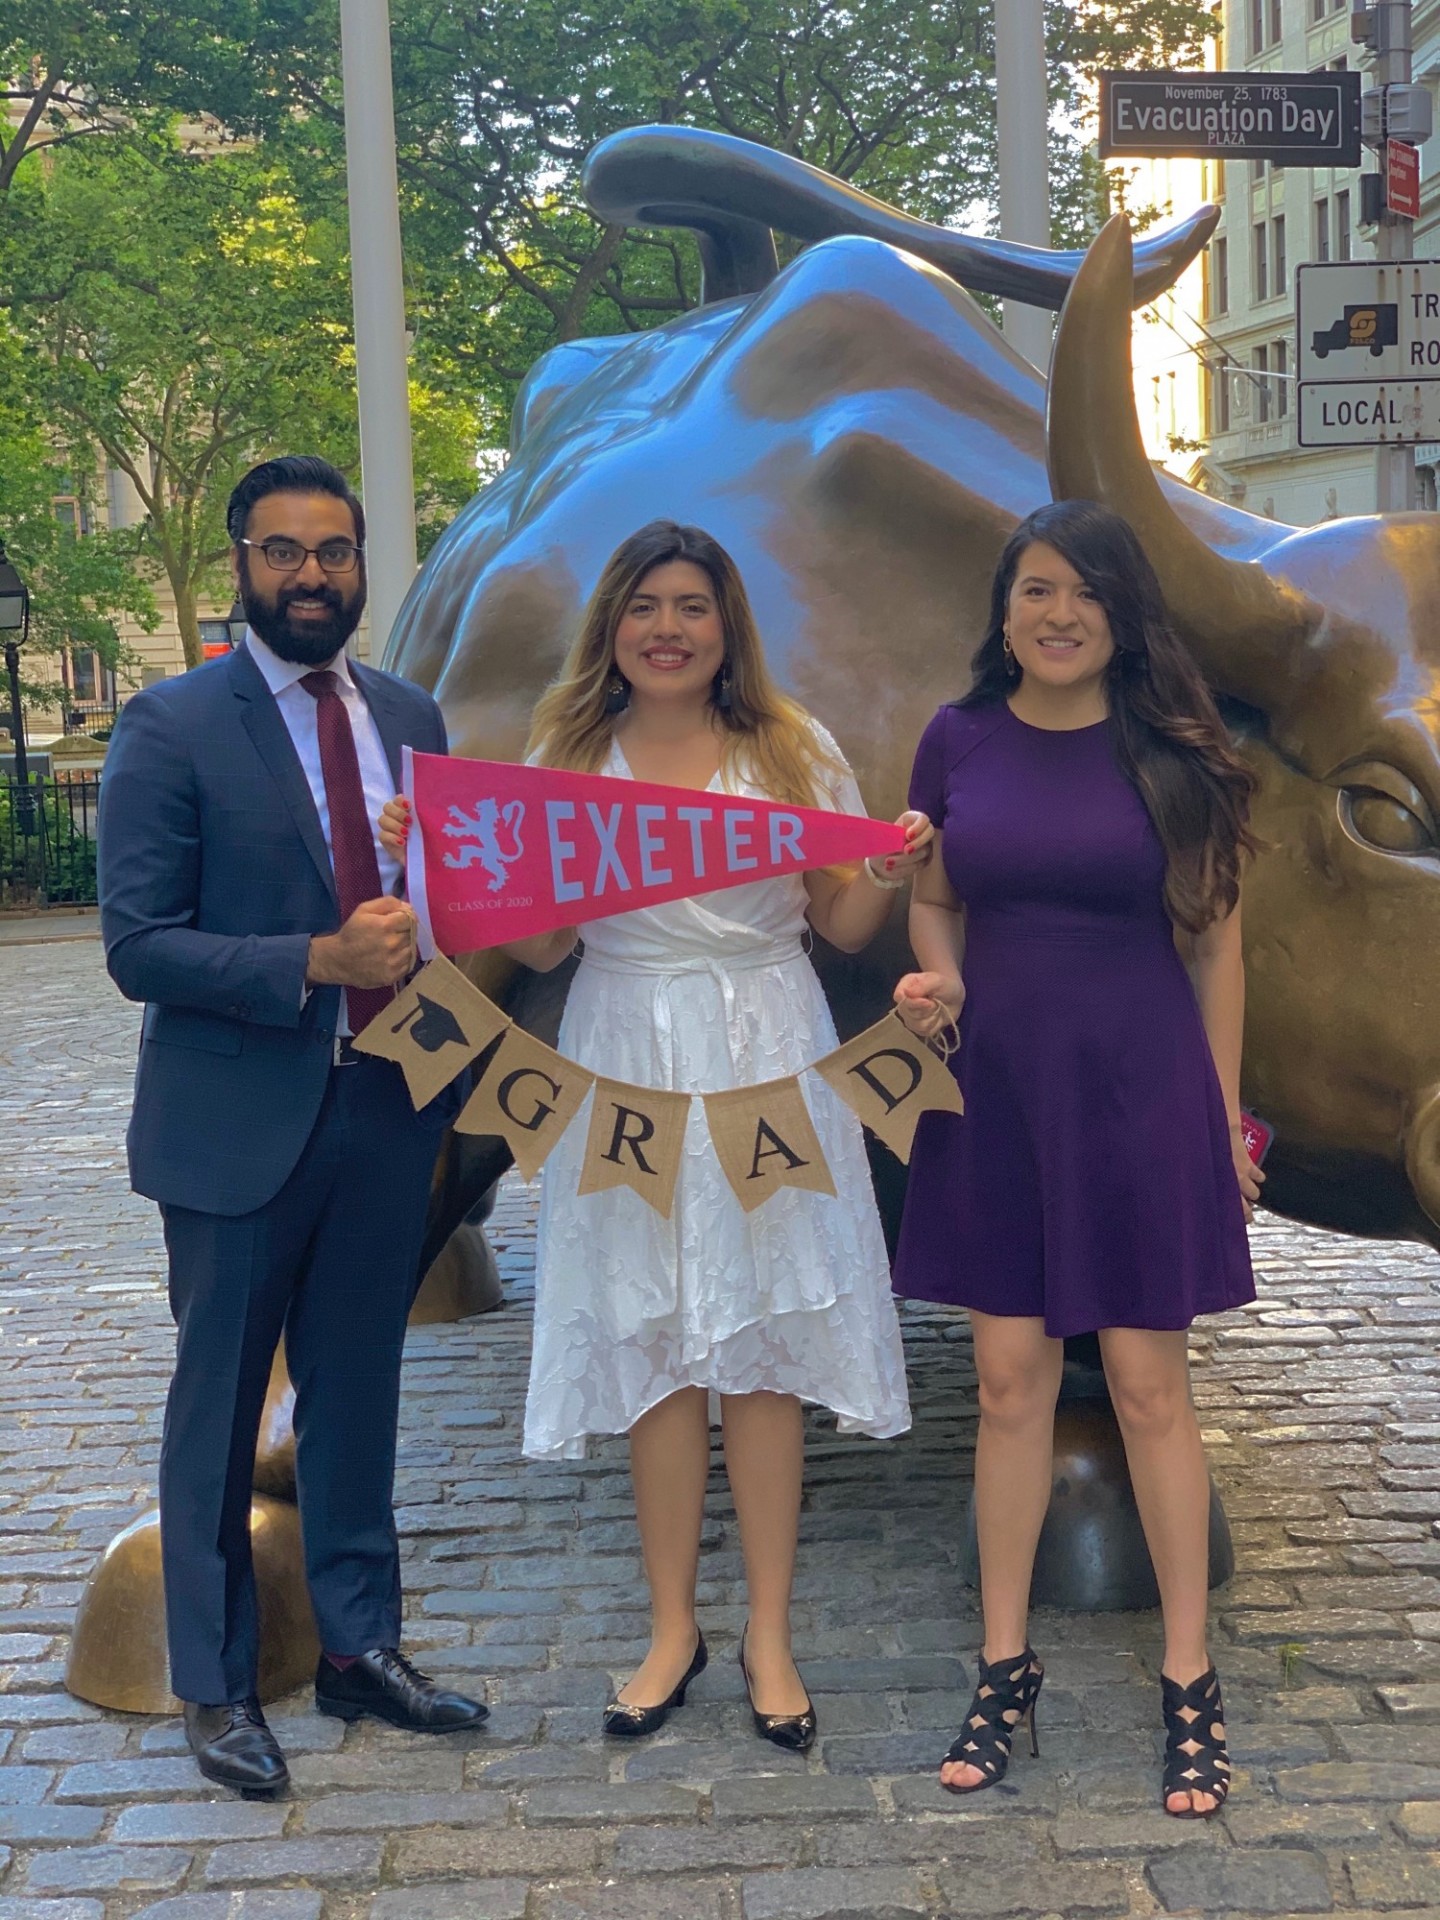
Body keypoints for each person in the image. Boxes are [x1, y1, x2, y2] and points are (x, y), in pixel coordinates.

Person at [386, 519, 927, 1749]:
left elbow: (840, 928)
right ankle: (671, 1625)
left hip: (767, 1058)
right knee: (655, 1345)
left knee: (767, 1348)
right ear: (612, 629)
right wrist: (454, 870)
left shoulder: (793, 748)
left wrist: (889, 864)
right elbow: (536, 948)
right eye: (645, 607)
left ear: (726, 623)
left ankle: (771, 1632)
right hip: (622, 1045)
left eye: (691, 605)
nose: (668, 629)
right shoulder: (569, 754)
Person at [99, 455, 487, 1800]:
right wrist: (312, 960)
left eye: (333, 550)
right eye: (283, 551)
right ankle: (214, 1682)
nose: (310, 573)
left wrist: (444, 896)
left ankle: (361, 1647)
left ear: (364, 563)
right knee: (219, 1410)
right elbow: (139, 947)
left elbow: (449, 905)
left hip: (385, 1108)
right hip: (234, 1125)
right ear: (241, 565)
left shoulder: (411, 714)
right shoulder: (169, 724)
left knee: (359, 1391)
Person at [891, 500, 1262, 1819]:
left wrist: (1221, 1124)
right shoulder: (957, 739)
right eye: (1035, 590)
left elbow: (1217, 946)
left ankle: (1188, 1679)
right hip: (996, 1084)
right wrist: (938, 980)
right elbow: (935, 893)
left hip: (1139, 1085)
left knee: (1151, 1384)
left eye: (1083, 594)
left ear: (1121, 615)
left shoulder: (1170, 750)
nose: (1057, 614)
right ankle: (1004, 1666)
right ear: (1003, 611)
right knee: (1006, 1379)